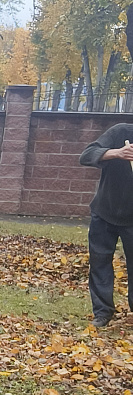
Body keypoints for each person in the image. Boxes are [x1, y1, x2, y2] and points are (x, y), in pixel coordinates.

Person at [79, 125, 133, 329]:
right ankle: (102, 313)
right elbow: (87, 155)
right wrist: (117, 153)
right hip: (104, 212)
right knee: (100, 263)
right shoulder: (121, 132)